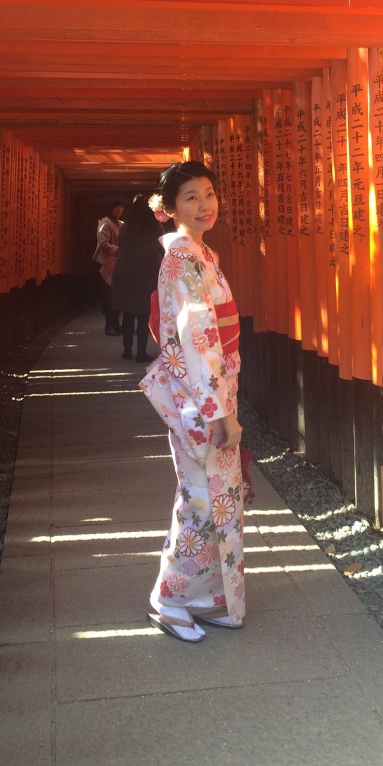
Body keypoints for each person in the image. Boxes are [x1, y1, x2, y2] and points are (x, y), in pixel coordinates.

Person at [139, 160, 244, 643]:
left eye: (209, 194)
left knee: (218, 497)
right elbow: (198, 339)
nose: (205, 205)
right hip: (198, 397)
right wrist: (221, 412)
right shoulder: (182, 258)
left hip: (214, 390)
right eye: (191, 198)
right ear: (170, 208)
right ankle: (170, 598)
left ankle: (204, 596)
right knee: (201, 499)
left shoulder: (202, 253)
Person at [111, 194, 163, 362]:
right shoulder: (154, 228)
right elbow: (160, 248)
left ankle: (127, 350)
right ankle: (141, 352)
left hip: (126, 272)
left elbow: (121, 243)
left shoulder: (126, 227)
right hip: (146, 273)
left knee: (128, 313)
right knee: (143, 314)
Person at [92, 198, 125, 335]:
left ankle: (116, 324)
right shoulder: (105, 222)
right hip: (106, 265)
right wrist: (120, 250)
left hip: (118, 264)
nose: (119, 210)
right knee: (108, 296)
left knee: (116, 296)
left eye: (121, 207)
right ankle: (109, 326)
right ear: (110, 208)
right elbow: (103, 243)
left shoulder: (122, 224)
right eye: (116, 206)